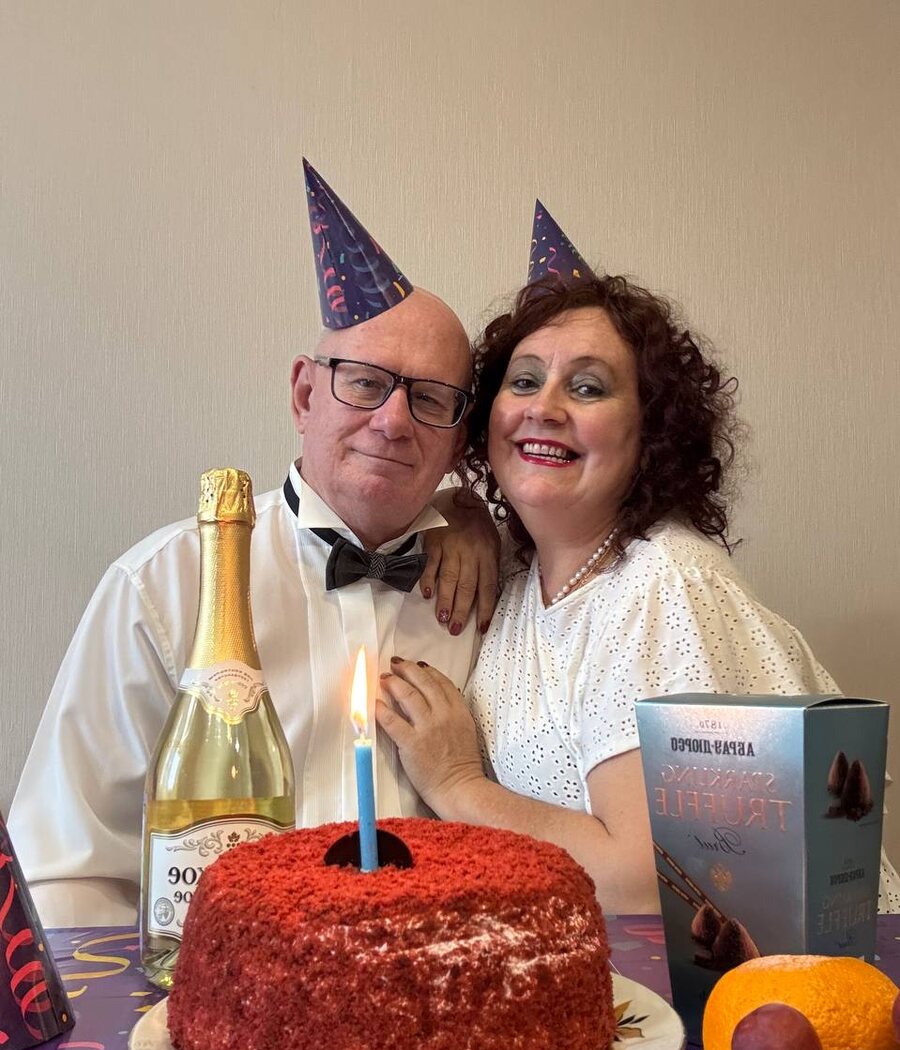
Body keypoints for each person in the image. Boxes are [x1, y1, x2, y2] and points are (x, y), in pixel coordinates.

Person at [7, 161, 497, 927]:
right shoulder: (160, 589)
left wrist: (478, 517)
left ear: (459, 437)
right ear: (304, 394)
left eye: (430, 398)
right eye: (365, 383)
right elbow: (66, 872)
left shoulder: (498, 587)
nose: (394, 421)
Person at [378, 200, 900, 915]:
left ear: (653, 432)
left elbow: (652, 881)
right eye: (523, 381)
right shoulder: (524, 572)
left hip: (774, 978)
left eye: (588, 387)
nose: (543, 407)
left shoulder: (663, 585)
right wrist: (456, 511)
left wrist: (456, 782)